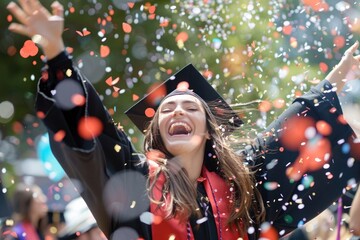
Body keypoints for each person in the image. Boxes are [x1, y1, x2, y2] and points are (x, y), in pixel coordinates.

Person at [6, 0, 360, 239]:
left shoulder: (242, 186)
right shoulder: (131, 181)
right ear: (157, 132)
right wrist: (55, 53)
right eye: (168, 110)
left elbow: (286, 131)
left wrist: (340, 77)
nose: (178, 111)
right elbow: (92, 127)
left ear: (209, 131)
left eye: (191, 108)